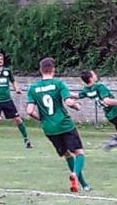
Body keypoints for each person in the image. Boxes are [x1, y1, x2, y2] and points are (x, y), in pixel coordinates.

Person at [26, 57, 89, 192]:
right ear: (53, 70)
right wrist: (76, 106)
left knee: (67, 154)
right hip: (64, 125)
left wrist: (42, 120)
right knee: (79, 153)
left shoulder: (33, 88)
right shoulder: (59, 84)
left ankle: (83, 184)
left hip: (49, 129)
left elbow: (29, 111)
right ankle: (75, 175)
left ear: (40, 70)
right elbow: (68, 102)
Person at [0, 50, 32, 149]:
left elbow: (13, 81)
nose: (0, 61)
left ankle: (26, 139)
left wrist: (16, 88)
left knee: (17, 119)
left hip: (7, 100)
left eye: (1, 59)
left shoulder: (7, 71)